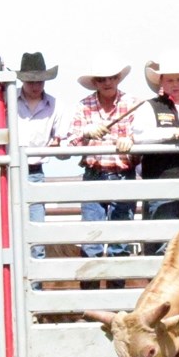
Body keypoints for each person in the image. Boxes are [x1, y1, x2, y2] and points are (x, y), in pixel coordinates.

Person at [65, 58, 140, 289]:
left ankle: (115, 299)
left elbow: (143, 134)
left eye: (111, 77)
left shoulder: (133, 104)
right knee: (91, 240)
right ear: (95, 82)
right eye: (102, 79)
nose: (107, 82)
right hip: (94, 173)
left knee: (120, 243)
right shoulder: (83, 106)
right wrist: (86, 134)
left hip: (123, 173)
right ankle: (91, 302)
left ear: (118, 79)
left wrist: (133, 141)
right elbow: (70, 143)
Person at [135, 54, 179, 254]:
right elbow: (139, 135)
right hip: (161, 184)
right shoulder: (150, 106)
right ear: (161, 81)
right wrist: (173, 132)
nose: (175, 84)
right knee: (162, 243)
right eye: (170, 79)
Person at [15, 52, 63, 289]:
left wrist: (58, 143)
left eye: (39, 80)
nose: (35, 86)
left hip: (35, 171)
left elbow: (61, 140)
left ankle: (34, 294)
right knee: (11, 235)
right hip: (10, 172)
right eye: (31, 81)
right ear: (23, 81)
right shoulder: (7, 103)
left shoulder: (54, 105)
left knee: (36, 238)